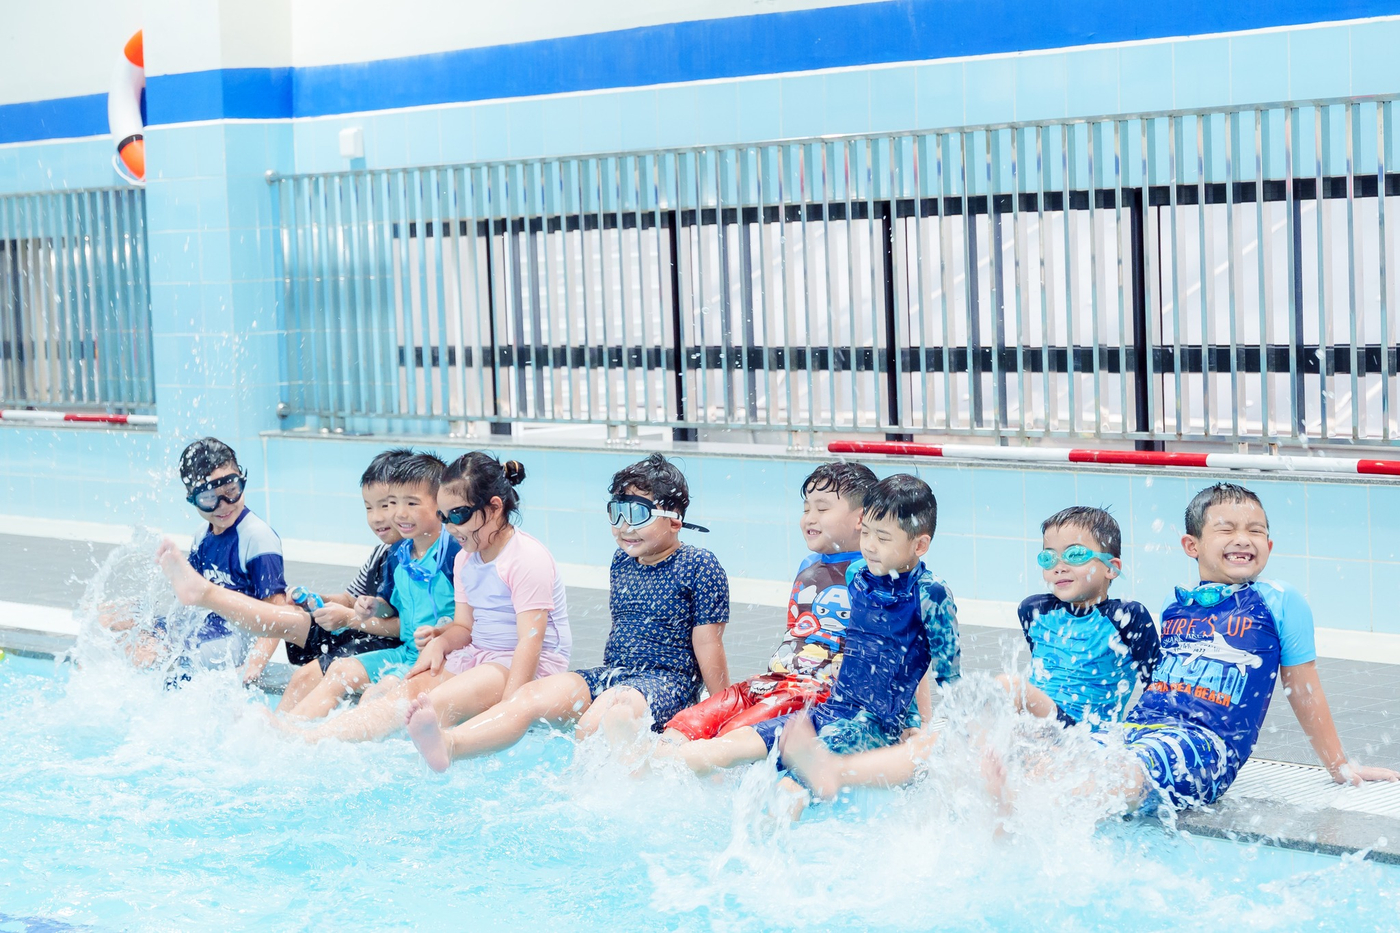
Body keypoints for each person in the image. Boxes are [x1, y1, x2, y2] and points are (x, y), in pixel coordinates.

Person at [782, 482, 1400, 809]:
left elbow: (1303, 687)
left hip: (1200, 744)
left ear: (1270, 544)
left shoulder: (1279, 601)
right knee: (996, 713)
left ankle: (1015, 802)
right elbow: (1146, 685)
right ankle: (841, 772)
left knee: (1117, 771)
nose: (1244, 538)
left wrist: (1338, 766)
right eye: (1227, 529)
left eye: (1256, 530)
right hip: (1134, 729)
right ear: (1192, 547)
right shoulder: (1177, 609)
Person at [616, 473, 960, 790]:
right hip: (818, 702)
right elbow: (861, 646)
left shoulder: (926, 593)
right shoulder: (858, 577)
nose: (869, 545)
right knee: (722, 738)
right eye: (867, 533)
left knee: (779, 777)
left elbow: (929, 670)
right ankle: (645, 766)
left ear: (919, 545)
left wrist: (917, 726)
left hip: (856, 717)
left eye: (881, 537)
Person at [405, 453, 730, 772]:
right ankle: (451, 745)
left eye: (636, 514)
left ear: (674, 519)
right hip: (615, 674)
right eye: (616, 513)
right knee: (527, 697)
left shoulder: (698, 565)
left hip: (667, 682)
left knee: (593, 724)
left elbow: (709, 645)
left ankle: (606, 788)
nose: (624, 527)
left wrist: (722, 712)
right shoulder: (623, 561)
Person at [284, 452, 572, 744]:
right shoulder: (466, 559)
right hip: (481, 655)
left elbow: (530, 642)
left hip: (526, 663)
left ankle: (446, 746)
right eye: (444, 517)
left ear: (495, 507)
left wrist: (512, 709)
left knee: (433, 704)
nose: (450, 528)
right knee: (405, 694)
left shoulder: (526, 559)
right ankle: (312, 739)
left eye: (458, 515)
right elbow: (464, 627)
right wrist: (440, 643)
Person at [154, 448, 412, 709]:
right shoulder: (382, 553)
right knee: (296, 618)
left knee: (302, 669)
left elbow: (406, 626)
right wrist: (320, 599)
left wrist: (348, 618)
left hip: (387, 643)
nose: (376, 517)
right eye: (369, 508)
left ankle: (207, 594)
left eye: (386, 506)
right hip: (361, 629)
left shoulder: (412, 562)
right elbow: (350, 599)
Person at [659, 462, 874, 744]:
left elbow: (900, 649)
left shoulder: (872, 576)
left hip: (816, 692)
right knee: (683, 726)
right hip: (774, 682)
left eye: (822, 509)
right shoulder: (809, 566)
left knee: (729, 736)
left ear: (861, 518)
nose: (809, 519)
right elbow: (796, 635)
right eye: (806, 509)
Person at [280, 452, 460, 721]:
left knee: (376, 695)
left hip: (442, 656)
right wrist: (374, 606)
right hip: (406, 652)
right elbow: (390, 607)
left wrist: (443, 633)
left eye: (411, 503)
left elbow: (474, 618)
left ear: (441, 505)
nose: (399, 513)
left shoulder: (454, 552)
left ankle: (317, 736)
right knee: (339, 670)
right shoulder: (397, 554)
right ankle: (284, 732)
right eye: (393, 503)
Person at [106, 437, 288, 679]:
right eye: (209, 498)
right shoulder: (202, 535)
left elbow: (277, 611)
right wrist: (143, 614)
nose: (223, 505)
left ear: (242, 481)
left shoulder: (257, 537)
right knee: (114, 624)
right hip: (202, 628)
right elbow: (186, 600)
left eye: (231, 491)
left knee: (147, 655)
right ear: (192, 498)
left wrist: (254, 664)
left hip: (230, 640)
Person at [999, 506, 1158, 727]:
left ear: (1111, 568)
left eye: (1075, 555)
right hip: (1038, 728)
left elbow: (1157, 684)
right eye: (1049, 558)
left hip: (1085, 735)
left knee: (1009, 686)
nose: (1059, 567)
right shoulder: (1035, 611)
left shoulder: (1126, 617)